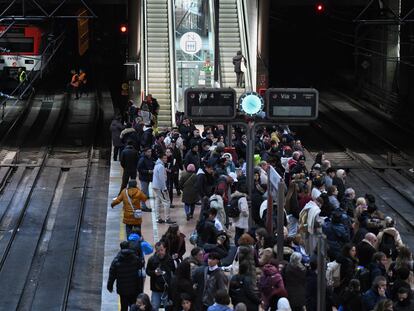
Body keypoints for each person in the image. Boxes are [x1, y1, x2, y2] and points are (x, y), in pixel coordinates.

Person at [107, 241, 142, 311]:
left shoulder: (116, 260)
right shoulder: (135, 258)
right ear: (129, 247)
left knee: (124, 307)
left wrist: (110, 286)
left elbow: (112, 275)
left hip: (123, 290)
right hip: (134, 288)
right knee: (134, 307)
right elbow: (141, 266)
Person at [146, 241, 175, 311]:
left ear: (165, 249)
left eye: (161, 250)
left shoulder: (170, 259)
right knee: (154, 307)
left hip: (167, 290)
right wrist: (154, 273)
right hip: (156, 289)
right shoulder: (152, 260)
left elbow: (174, 271)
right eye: (158, 250)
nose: (160, 252)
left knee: (168, 308)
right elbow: (148, 271)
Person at [153, 153, 175, 224]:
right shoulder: (161, 166)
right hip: (160, 187)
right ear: (161, 158)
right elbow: (161, 178)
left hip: (155, 186)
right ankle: (167, 218)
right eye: (165, 158)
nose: (166, 159)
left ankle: (157, 218)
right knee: (167, 202)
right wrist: (164, 188)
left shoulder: (156, 165)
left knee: (157, 202)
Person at [138, 147, 154, 212]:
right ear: (145, 152)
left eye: (150, 151)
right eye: (148, 152)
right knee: (143, 192)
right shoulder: (142, 159)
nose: (150, 153)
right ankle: (143, 206)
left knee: (145, 193)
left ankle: (143, 205)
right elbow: (139, 169)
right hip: (144, 178)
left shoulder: (150, 158)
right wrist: (147, 171)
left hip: (148, 178)